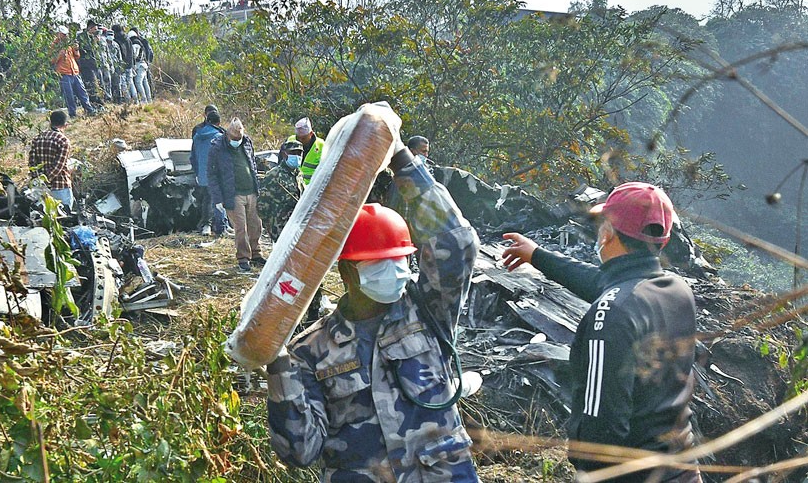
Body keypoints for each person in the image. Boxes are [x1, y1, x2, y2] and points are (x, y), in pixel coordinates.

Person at [266, 135, 481, 481]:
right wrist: (276, 365)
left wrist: (402, 161)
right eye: (380, 263)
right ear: (347, 271)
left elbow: (457, 243)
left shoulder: (426, 309)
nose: (396, 272)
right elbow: (300, 451)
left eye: (401, 261)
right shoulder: (308, 353)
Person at [501, 182, 702, 483]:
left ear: (607, 232)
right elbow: (607, 284)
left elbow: (600, 434)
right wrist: (538, 255)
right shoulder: (676, 290)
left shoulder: (610, 316)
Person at [206, 117, 263, 272]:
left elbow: (252, 164)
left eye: (239, 138)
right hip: (233, 194)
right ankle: (243, 258)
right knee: (240, 228)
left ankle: (256, 253)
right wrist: (218, 198)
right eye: (234, 138)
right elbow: (212, 174)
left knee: (256, 225)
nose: (237, 140)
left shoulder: (247, 142)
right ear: (228, 135)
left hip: (251, 191)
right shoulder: (217, 147)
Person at [257, 139, 304, 241]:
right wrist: (270, 226)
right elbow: (262, 205)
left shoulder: (299, 174)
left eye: (299, 153)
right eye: (293, 153)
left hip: (297, 224)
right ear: (284, 154)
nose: (297, 156)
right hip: (279, 227)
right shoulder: (274, 175)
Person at [191, 104, 227, 236]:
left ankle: (213, 225)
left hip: (202, 173)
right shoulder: (219, 136)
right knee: (218, 199)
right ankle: (217, 226)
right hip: (216, 173)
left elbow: (193, 156)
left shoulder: (197, 134)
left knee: (207, 198)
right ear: (218, 122)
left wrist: (197, 171)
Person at [28, 110, 75, 210]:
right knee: (65, 219)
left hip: (40, 189)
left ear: (50, 122)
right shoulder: (63, 141)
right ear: (65, 125)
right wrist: (47, 180)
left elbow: (32, 163)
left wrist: (39, 181)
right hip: (60, 186)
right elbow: (58, 167)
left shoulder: (38, 138)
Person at [51, 25, 95, 118]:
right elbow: (52, 61)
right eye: (64, 35)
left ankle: (89, 110)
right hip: (64, 74)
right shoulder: (54, 46)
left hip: (74, 72)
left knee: (82, 93)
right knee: (69, 96)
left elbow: (77, 56)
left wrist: (76, 50)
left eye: (66, 34)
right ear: (58, 34)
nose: (66, 36)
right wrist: (59, 54)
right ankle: (73, 114)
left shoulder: (69, 44)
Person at [287, 117, 324, 184]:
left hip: (310, 187)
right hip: (292, 185)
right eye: (298, 138)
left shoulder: (321, 145)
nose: (300, 141)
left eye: (303, 138)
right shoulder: (291, 140)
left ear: (311, 134)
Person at [111, 24, 136, 103]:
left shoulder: (117, 40)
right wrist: (133, 63)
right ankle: (136, 100)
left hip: (123, 65)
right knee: (131, 83)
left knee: (123, 83)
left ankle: (128, 101)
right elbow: (132, 52)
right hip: (130, 64)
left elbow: (121, 54)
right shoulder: (127, 38)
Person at [128, 28, 153, 103]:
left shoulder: (135, 43)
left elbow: (135, 55)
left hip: (139, 65)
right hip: (144, 64)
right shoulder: (140, 42)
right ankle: (149, 99)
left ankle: (144, 99)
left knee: (138, 82)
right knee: (145, 82)